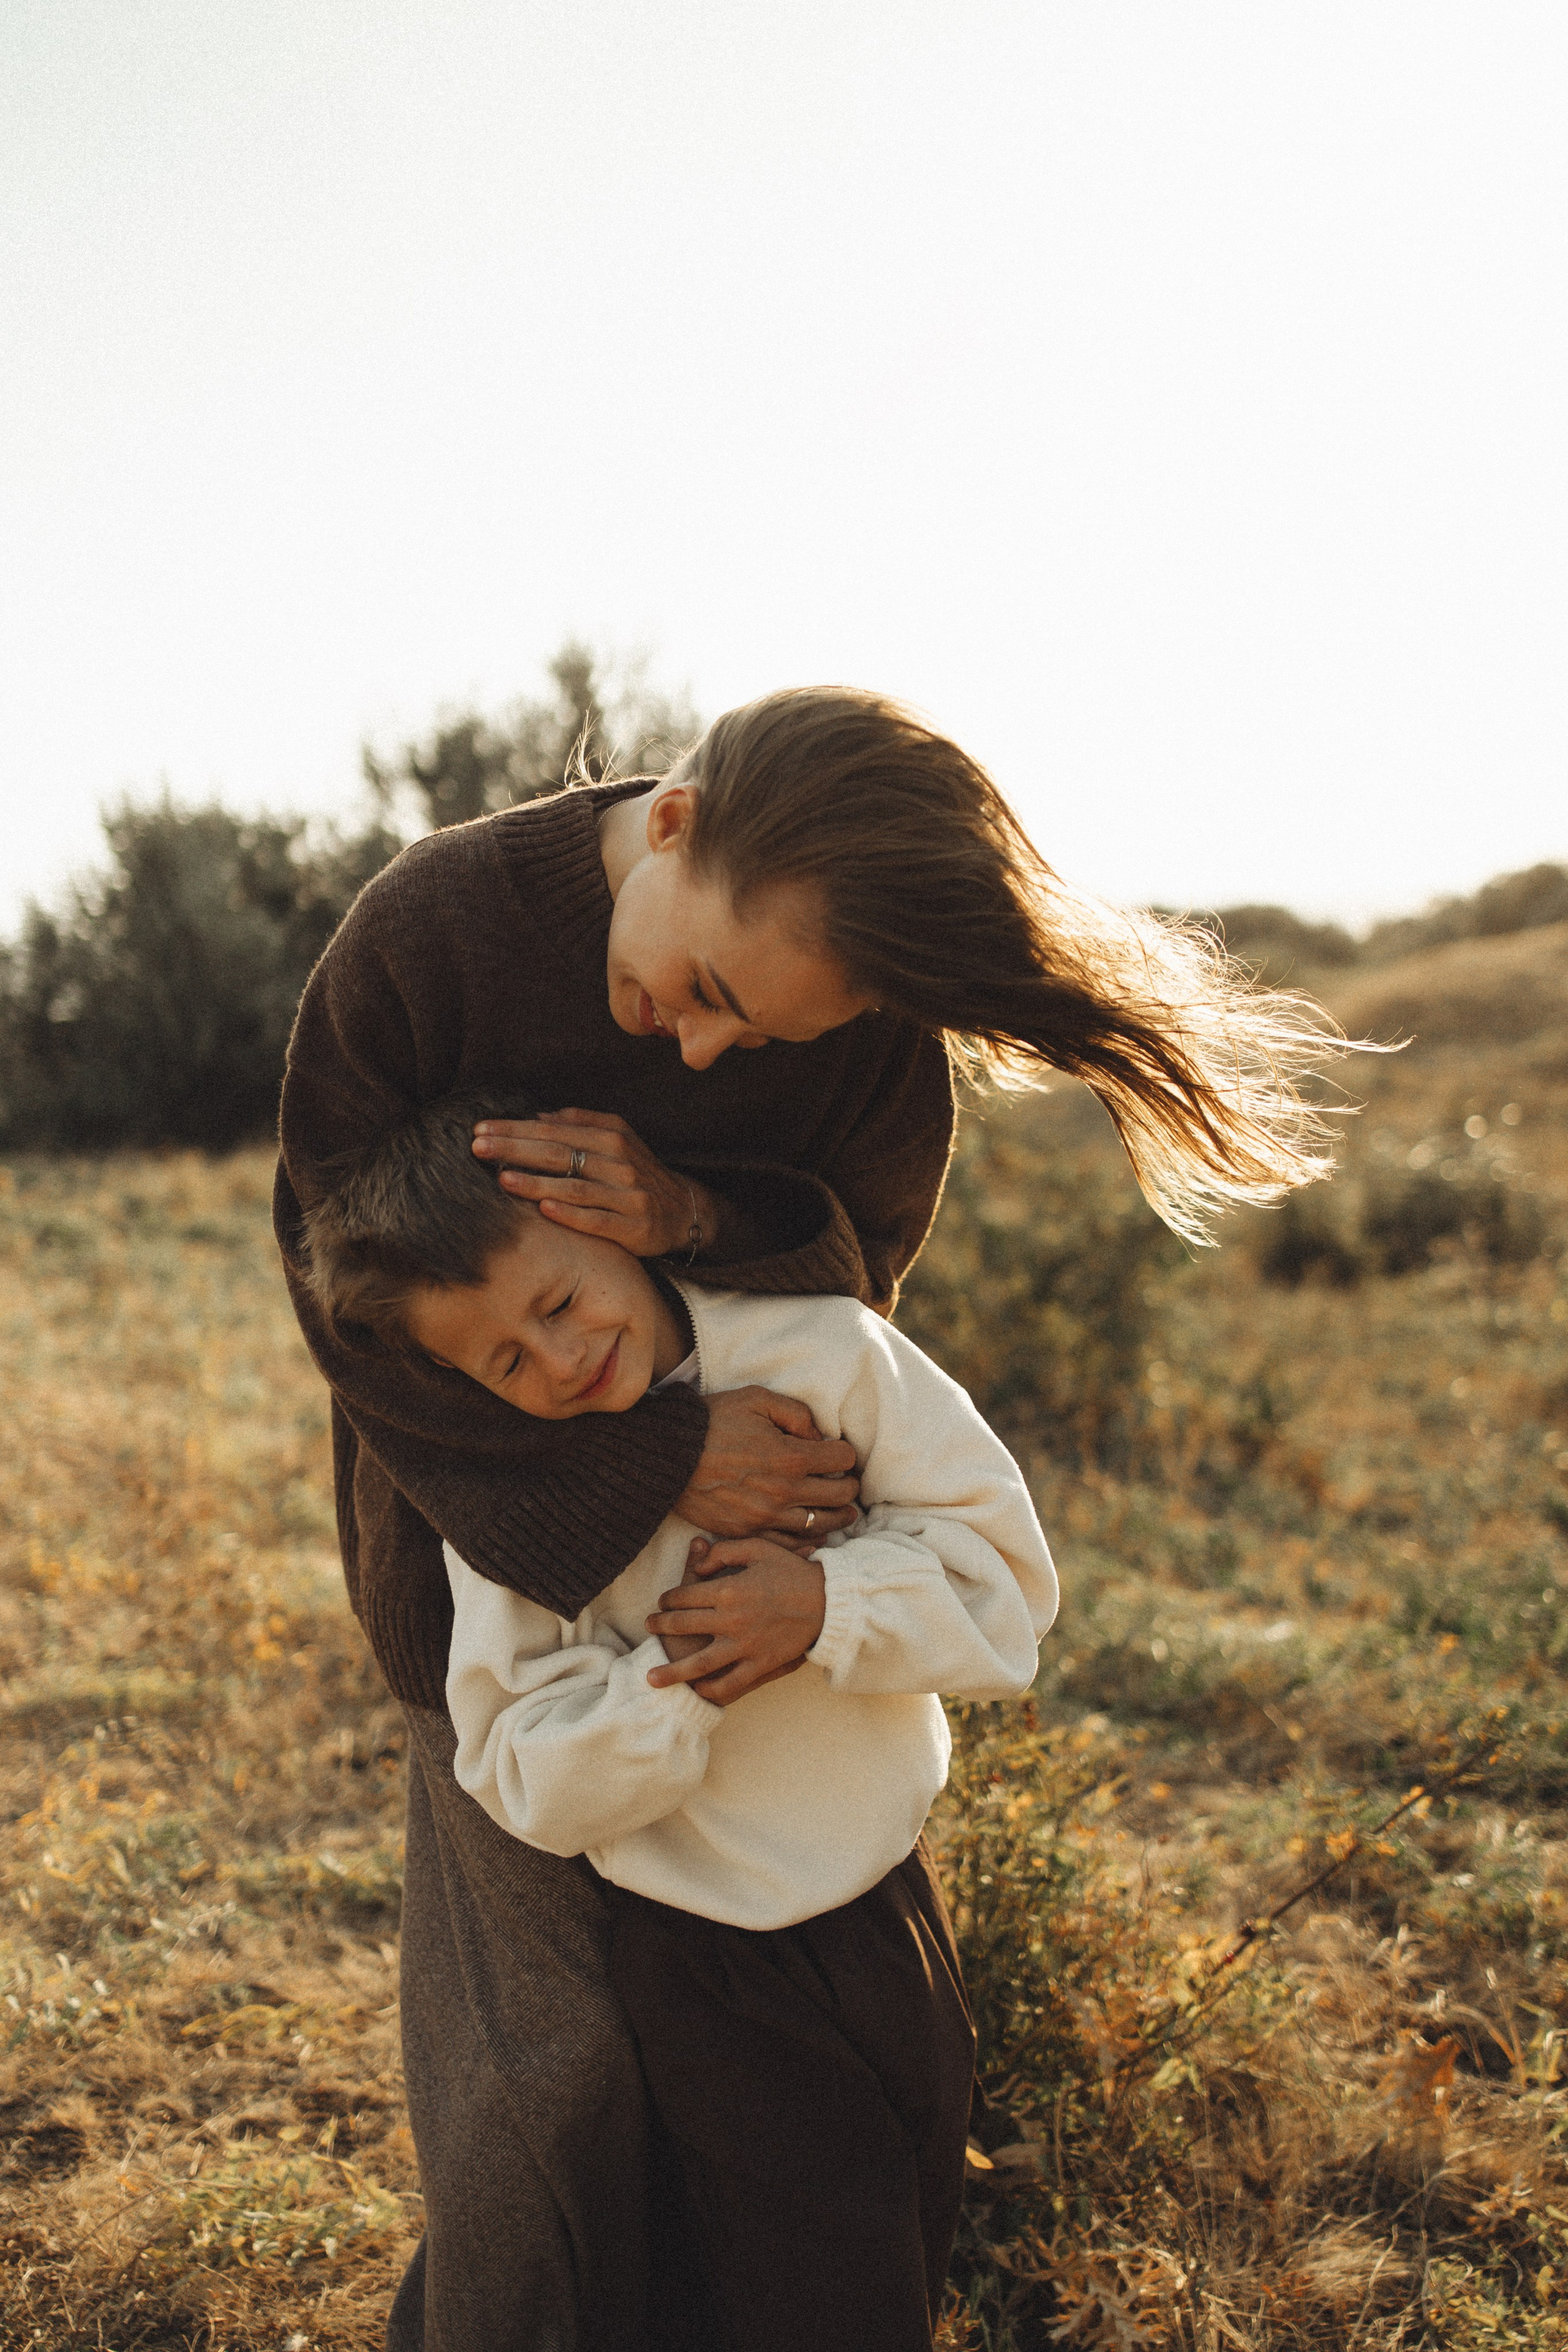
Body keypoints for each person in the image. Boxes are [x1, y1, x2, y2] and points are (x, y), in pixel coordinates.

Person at [274, 684, 1340, 2350]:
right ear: (674, 823)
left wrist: (696, 1215)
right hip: (500, 1603)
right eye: (705, 990)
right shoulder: (430, 938)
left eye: (757, 1038)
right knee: (544, 2099)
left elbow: (858, 1287)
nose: (702, 1049)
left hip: (773, 1639)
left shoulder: (868, 1028)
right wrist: (653, 1465)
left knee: (791, 2126)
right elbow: (346, 1301)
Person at [302, 1093, 1060, 2352]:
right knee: (821, 2298)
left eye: (557, 1302)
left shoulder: (824, 1354)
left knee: (908, 2232)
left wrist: (823, 1604)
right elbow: (516, 1763)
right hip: (700, 1953)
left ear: (615, 1225)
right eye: (504, 1363)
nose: (556, 1364)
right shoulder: (516, 1498)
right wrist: (687, 1672)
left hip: (891, 1907)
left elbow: (1009, 1587)